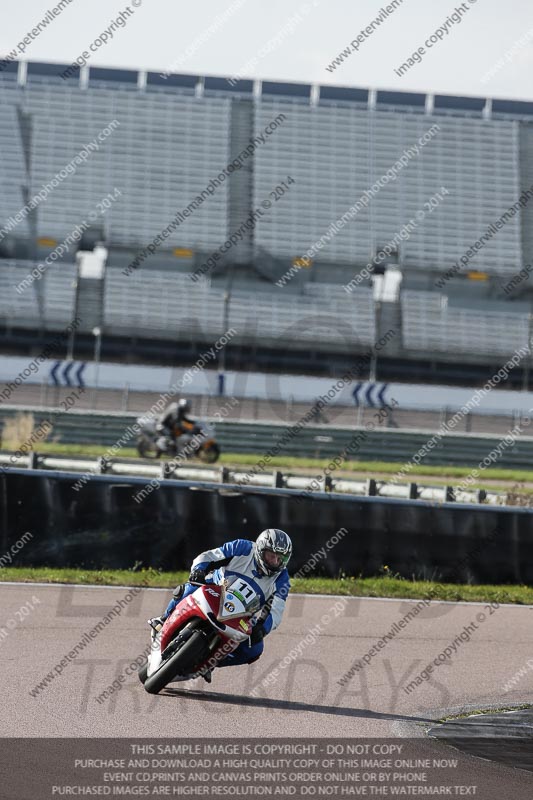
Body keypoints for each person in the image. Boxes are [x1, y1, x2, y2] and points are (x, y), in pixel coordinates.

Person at [149, 529, 292, 682]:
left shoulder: (282, 579)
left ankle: (209, 662)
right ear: (260, 549)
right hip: (214, 590)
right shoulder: (242, 548)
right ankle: (164, 620)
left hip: (241, 615)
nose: (275, 562)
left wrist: (262, 628)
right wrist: (199, 570)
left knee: (255, 650)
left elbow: (276, 611)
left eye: (280, 558)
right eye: (271, 555)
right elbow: (208, 556)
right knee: (189, 588)